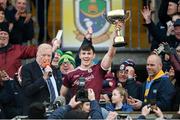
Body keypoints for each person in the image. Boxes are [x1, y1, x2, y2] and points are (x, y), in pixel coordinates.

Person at [60, 20, 120, 100]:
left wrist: (116, 34)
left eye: (89, 53)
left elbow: (110, 54)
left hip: (94, 110)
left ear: (93, 56)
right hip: (76, 110)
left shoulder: (99, 69)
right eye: (84, 53)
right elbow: (62, 95)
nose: (86, 56)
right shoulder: (70, 74)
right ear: (80, 55)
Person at [21, 43, 61, 115]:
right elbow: (27, 91)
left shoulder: (54, 69)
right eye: (43, 55)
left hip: (55, 111)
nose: (46, 58)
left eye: (49, 55)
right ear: (37, 54)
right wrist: (44, 78)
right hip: (37, 112)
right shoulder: (27, 68)